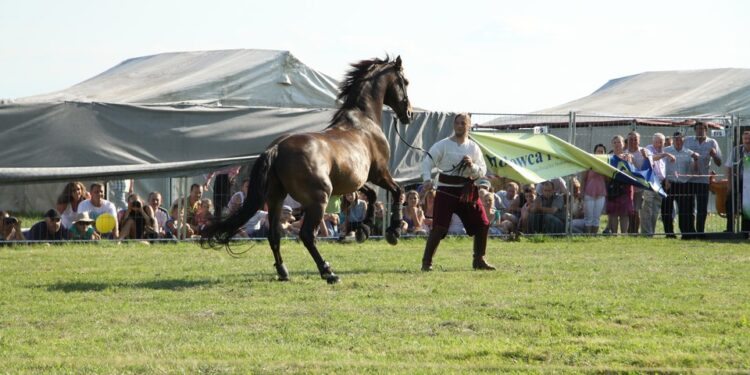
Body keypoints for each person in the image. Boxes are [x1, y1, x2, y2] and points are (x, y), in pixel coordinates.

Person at [420, 113, 494, 271]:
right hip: (446, 191)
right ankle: (426, 263)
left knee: (483, 223)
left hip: (467, 191)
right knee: (439, 227)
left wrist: (471, 166)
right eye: (457, 123)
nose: (460, 126)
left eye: (463, 123)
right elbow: (427, 163)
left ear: (469, 126)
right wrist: (427, 179)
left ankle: (479, 260)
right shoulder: (443, 145)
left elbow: (481, 171)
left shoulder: (473, 147)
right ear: (454, 125)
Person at [684, 121, 722, 237]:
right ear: (695, 130)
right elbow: (682, 155)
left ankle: (700, 232)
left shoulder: (712, 142)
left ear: (706, 130)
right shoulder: (688, 140)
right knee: (688, 207)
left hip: (703, 180)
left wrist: (714, 155)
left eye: (702, 129)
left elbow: (719, 162)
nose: (700, 131)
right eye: (698, 129)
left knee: (702, 208)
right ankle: (690, 232)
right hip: (689, 179)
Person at [663, 132, 699, 238]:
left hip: (683, 184)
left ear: (683, 140)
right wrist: (665, 179)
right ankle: (669, 234)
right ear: (673, 140)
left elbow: (695, 170)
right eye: (676, 139)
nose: (678, 142)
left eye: (680, 140)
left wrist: (696, 159)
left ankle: (685, 233)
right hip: (669, 184)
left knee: (684, 211)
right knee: (666, 210)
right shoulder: (666, 151)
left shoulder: (689, 152)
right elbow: (661, 167)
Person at [641, 133, 674, 236]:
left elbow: (667, 169)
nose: (658, 144)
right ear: (652, 141)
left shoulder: (665, 152)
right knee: (647, 209)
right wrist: (665, 155)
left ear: (664, 143)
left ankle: (651, 232)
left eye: (661, 142)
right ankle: (646, 233)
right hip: (650, 182)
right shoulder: (649, 148)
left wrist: (667, 179)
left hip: (660, 184)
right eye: (656, 141)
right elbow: (651, 158)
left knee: (655, 210)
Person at [624, 131, 652, 234]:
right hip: (627, 188)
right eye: (631, 139)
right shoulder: (624, 152)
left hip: (640, 187)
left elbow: (651, 167)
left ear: (639, 140)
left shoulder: (645, 152)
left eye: (635, 139)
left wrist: (646, 158)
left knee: (636, 211)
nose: (633, 141)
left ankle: (634, 232)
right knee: (628, 211)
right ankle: (627, 231)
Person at [606, 135, 635, 235]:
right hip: (612, 186)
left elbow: (632, 171)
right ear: (612, 144)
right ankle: (614, 233)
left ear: (623, 144)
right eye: (615, 142)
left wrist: (629, 160)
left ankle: (624, 234)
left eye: (619, 142)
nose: (617, 144)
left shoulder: (628, 156)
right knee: (613, 213)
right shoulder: (608, 157)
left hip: (626, 188)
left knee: (624, 213)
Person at [723, 130, 750, 236]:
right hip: (738, 180)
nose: (747, 141)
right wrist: (729, 184)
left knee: (747, 206)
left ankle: (745, 230)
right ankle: (730, 228)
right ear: (742, 139)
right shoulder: (736, 150)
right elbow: (728, 166)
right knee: (730, 202)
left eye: (749, 139)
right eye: (745, 139)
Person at [581, 144, 607, 234]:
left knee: (596, 218)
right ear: (594, 152)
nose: (600, 153)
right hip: (589, 193)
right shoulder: (589, 162)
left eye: (602, 151)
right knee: (589, 217)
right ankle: (587, 236)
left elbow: (608, 179)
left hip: (601, 193)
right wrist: (582, 193)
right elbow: (583, 179)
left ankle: (594, 236)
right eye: (598, 151)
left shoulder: (606, 164)